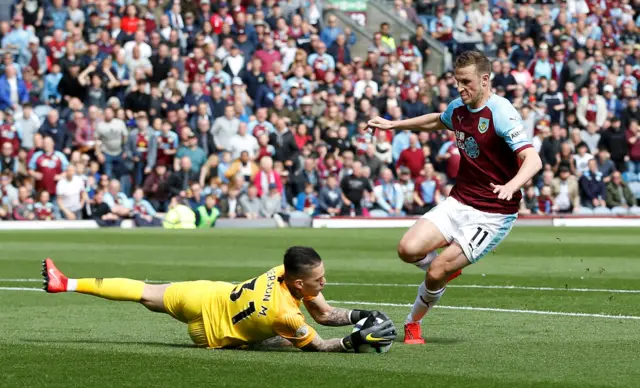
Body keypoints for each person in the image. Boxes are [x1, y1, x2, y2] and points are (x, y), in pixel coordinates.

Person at [368, 51, 542, 344]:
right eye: (457, 82)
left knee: (436, 270)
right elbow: (437, 120)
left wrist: (511, 185)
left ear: (485, 80)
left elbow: (533, 159)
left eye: (466, 82)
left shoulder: (500, 112)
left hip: (493, 213)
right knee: (407, 249)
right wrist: (394, 125)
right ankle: (445, 269)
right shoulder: (459, 108)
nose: (460, 88)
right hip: (459, 201)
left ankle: (413, 322)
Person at [41, 246, 397, 352]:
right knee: (282, 343)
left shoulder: (280, 270)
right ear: (298, 282)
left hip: (205, 296)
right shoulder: (288, 314)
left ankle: (67, 282)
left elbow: (323, 310)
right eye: (318, 280)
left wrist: (360, 313)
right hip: (213, 335)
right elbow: (320, 342)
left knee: (146, 293)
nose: (324, 283)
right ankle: (65, 283)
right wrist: (353, 340)